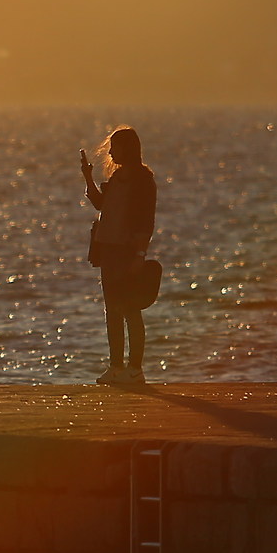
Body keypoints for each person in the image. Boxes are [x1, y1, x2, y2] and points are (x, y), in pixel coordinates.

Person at [81, 125, 156, 386]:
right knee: (112, 310)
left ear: (129, 148)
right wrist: (88, 179)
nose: (111, 152)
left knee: (130, 309)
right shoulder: (118, 178)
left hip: (127, 251)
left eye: (116, 146)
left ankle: (135, 369)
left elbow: (146, 222)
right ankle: (116, 367)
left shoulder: (143, 180)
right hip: (108, 250)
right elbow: (102, 205)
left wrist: (139, 254)